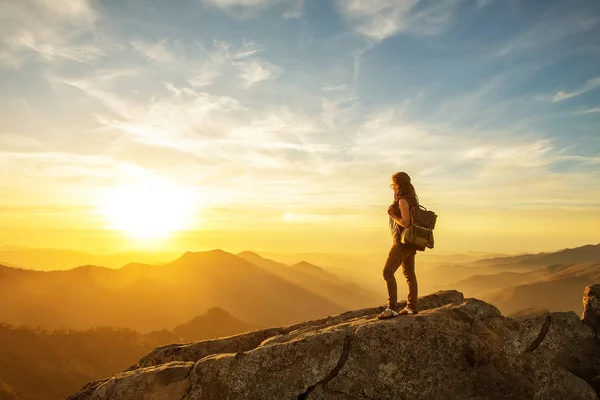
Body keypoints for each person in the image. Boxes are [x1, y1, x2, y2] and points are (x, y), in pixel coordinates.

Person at [378, 172, 419, 319]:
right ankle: (411, 306)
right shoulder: (412, 200)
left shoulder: (402, 201)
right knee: (409, 274)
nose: (392, 188)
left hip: (402, 243)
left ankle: (392, 308)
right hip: (411, 243)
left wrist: (393, 215)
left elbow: (406, 223)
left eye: (393, 185)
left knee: (387, 272)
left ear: (398, 185)